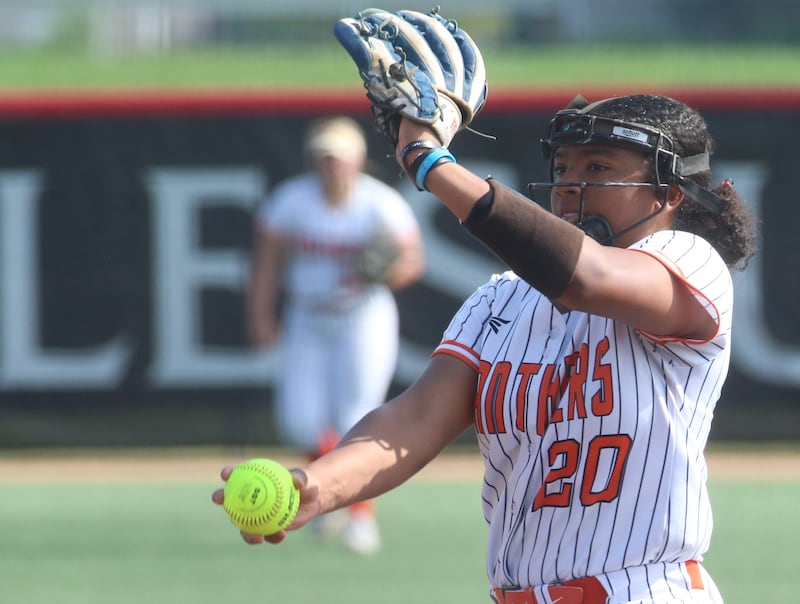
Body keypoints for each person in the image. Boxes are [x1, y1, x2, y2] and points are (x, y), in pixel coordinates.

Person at [220, 92, 756, 603]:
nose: (570, 184)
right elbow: (416, 418)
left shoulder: (691, 263)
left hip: (645, 592)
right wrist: (319, 484)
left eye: (598, 168)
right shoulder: (502, 297)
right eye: (564, 166)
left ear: (670, 193)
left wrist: (430, 163)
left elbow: (585, 279)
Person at [245, 115, 425, 555]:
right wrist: (261, 315)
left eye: (340, 158)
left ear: (357, 161)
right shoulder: (293, 200)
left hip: (361, 316)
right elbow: (267, 260)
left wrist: (385, 273)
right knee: (300, 418)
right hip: (307, 316)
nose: (332, 166)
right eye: (325, 158)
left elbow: (412, 261)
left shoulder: (378, 203)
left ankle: (360, 520)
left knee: (356, 417)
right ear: (313, 161)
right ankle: (322, 499)